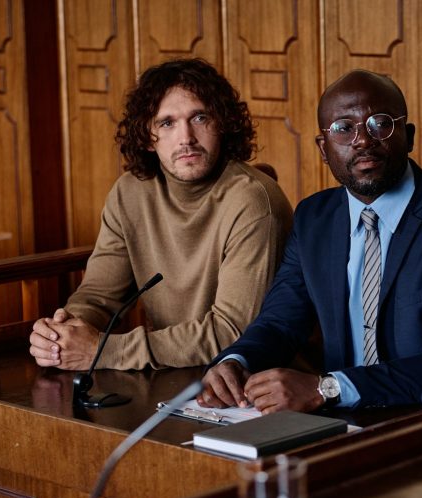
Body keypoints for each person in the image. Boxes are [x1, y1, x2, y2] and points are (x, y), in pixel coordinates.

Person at [198, 70, 422, 413]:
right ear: (324, 149)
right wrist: (237, 361)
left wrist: (327, 387)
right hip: (336, 421)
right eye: (344, 128)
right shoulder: (314, 218)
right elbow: (280, 322)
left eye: (380, 123)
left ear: (409, 135)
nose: (362, 140)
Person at [28, 58, 292, 371]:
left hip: (251, 379)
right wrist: (63, 334)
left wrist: (103, 351)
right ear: (147, 137)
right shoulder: (130, 193)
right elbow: (99, 295)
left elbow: (232, 331)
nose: (186, 138)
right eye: (167, 123)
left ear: (222, 124)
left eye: (199, 117)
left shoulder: (253, 200)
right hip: (169, 373)